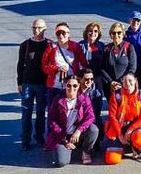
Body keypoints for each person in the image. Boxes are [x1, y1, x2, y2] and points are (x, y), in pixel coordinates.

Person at [47, 75, 98, 166]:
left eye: (75, 86)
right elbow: (52, 121)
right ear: (65, 86)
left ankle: (86, 151)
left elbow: (90, 117)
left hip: (77, 134)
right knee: (61, 162)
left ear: (79, 86)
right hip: (62, 136)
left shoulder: (84, 99)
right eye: (69, 85)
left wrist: (79, 131)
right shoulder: (58, 100)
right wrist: (65, 141)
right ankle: (66, 149)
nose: (72, 88)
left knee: (94, 129)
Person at [103, 73, 141, 163]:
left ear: (135, 81)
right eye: (125, 81)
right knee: (112, 160)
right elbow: (112, 116)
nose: (127, 83)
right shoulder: (116, 96)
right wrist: (120, 135)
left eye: (130, 80)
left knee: (140, 139)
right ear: (122, 82)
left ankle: (135, 147)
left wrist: (130, 130)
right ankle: (123, 147)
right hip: (119, 127)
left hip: (135, 127)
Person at [18, 18, 50, 150]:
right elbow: (20, 65)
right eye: (34, 28)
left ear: (45, 29)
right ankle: (25, 140)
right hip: (28, 84)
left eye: (39, 28)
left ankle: (39, 136)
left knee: (41, 113)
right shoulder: (25, 45)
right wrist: (19, 82)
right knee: (26, 114)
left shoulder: (49, 44)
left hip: (42, 84)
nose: (37, 30)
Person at [42, 22, 87, 106]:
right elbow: (44, 66)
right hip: (54, 86)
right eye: (58, 33)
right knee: (53, 111)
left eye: (63, 33)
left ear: (68, 34)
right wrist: (57, 68)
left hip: (71, 86)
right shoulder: (51, 48)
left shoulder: (76, 47)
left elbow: (83, 64)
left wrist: (80, 79)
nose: (61, 35)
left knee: (71, 111)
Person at [100, 22, 137, 98]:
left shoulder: (129, 47)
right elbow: (102, 68)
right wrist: (111, 82)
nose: (116, 35)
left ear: (123, 34)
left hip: (125, 85)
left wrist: (121, 82)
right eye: (113, 33)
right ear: (110, 35)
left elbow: (132, 68)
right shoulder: (106, 49)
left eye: (119, 32)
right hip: (110, 87)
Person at [124, 11, 141, 90]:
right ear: (129, 21)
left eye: (137, 20)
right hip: (131, 66)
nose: (135, 23)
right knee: (131, 88)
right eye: (133, 20)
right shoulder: (125, 34)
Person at [79, 68, 104, 148]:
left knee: (97, 126)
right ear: (79, 79)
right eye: (86, 79)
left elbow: (96, 112)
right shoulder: (74, 89)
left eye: (91, 79)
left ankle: (92, 144)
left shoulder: (97, 93)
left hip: (90, 119)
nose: (89, 81)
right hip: (76, 121)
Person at [79, 22, 105, 89]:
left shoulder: (102, 46)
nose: (93, 33)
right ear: (86, 32)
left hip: (98, 76)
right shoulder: (80, 45)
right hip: (84, 77)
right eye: (90, 31)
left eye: (95, 31)